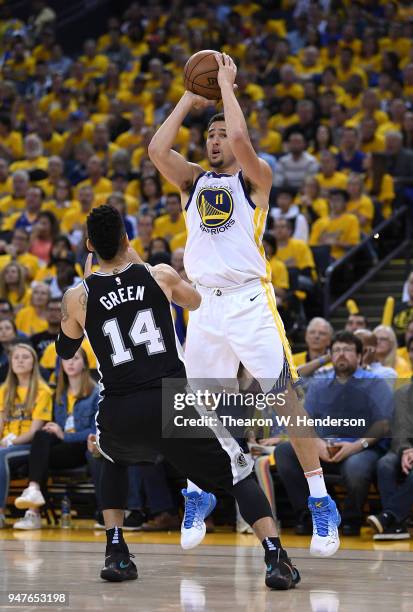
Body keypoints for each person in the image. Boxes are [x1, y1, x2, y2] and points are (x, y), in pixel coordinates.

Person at [149, 52, 340, 559]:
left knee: (282, 397)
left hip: (250, 301)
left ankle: (322, 500)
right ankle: (198, 490)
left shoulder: (256, 177)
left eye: (219, 134)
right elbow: (155, 149)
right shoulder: (192, 182)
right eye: (208, 136)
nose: (215, 141)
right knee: (196, 406)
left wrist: (227, 87)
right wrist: (190, 98)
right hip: (206, 306)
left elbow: (239, 139)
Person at [56, 204, 301, 589]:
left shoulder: (76, 296)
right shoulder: (160, 275)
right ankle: (275, 558)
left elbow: (65, 350)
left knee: (112, 455)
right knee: (237, 472)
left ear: (88, 244)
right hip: (173, 398)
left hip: (121, 406)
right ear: (126, 239)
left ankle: (116, 553)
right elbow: (195, 302)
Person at [276, 331, 393, 536]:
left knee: (356, 467)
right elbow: (305, 421)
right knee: (284, 452)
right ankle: (308, 514)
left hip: (360, 447)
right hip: (323, 446)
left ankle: (351, 518)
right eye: (337, 350)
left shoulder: (375, 382)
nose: (341, 354)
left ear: (359, 355)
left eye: (347, 350)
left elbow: (383, 424)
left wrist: (356, 446)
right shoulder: (320, 385)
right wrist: (317, 443)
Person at [13, 348, 98, 529]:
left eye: (75, 358)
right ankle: (34, 491)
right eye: (66, 359)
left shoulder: (95, 393)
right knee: (42, 435)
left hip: (82, 448)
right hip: (61, 449)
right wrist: (55, 432)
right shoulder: (58, 395)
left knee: (35, 460)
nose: (71, 363)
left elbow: (94, 431)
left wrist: (64, 435)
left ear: (84, 364)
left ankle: (33, 512)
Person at [0, 344, 53, 528]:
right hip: (6, 444)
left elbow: (34, 432)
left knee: (1, 456)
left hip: (27, 446)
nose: (20, 361)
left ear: (34, 363)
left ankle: (0, 513)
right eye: (16, 357)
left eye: (25, 357)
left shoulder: (42, 391)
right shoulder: (4, 390)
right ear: (11, 363)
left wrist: (10, 441)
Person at [367, 336, 413, 540]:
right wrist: (405, 450)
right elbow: (401, 427)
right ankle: (397, 526)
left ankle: (389, 517)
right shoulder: (403, 392)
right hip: (406, 448)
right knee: (385, 463)